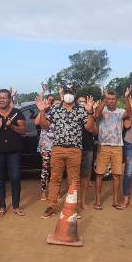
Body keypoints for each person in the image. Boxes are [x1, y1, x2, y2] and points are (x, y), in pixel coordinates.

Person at [36, 87, 94, 219]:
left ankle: (74, 208)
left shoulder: (81, 110)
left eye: (71, 93)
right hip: (57, 149)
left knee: (74, 180)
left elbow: (89, 127)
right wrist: (42, 111)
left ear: (74, 94)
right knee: (55, 179)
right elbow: (44, 126)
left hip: (75, 150)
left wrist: (90, 112)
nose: (69, 95)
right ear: (63, 95)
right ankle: (51, 206)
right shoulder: (55, 109)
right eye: (66, 93)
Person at [0, 89, 27, 217]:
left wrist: (12, 126)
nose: (2, 100)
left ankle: (16, 206)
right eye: (0, 98)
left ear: (9, 99)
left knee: (15, 177)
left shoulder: (17, 113)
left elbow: (23, 131)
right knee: (0, 179)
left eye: (5, 97)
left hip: (14, 151)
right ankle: (2, 206)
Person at [93, 89, 128, 210]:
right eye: (109, 99)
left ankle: (115, 201)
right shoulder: (102, 110)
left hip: (117, 146)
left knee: (116, 175)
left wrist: (127, 98)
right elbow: (96, 114)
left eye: (113, 99)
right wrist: (104, 98)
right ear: (106, 100)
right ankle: (98, 201)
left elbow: (129, 113)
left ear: (116, 100)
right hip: (103, 145)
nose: (111, 101)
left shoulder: (120, 111)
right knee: (99, 174)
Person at [77, 95, 98, 212]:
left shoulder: (90, 115)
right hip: (74, 149)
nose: (82, 104)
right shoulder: (73, 114)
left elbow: (95, 132)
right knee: (74, 176)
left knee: (85, 175)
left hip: (87, 148)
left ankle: (83, 201)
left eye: (84, 102)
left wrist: (90, 115)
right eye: (79, 102)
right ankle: (74, 200)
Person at [36, 92, 56, 201]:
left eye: (52, 101)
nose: (50, 103)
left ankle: (54, 192)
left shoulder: (57, 113)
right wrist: (42, 110)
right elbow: (36, 122)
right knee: (45, 169)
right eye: (49, 100)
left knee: (55, 170)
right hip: (45, 146)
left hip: (56, 146)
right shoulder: (44, 113)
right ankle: (43, 191)